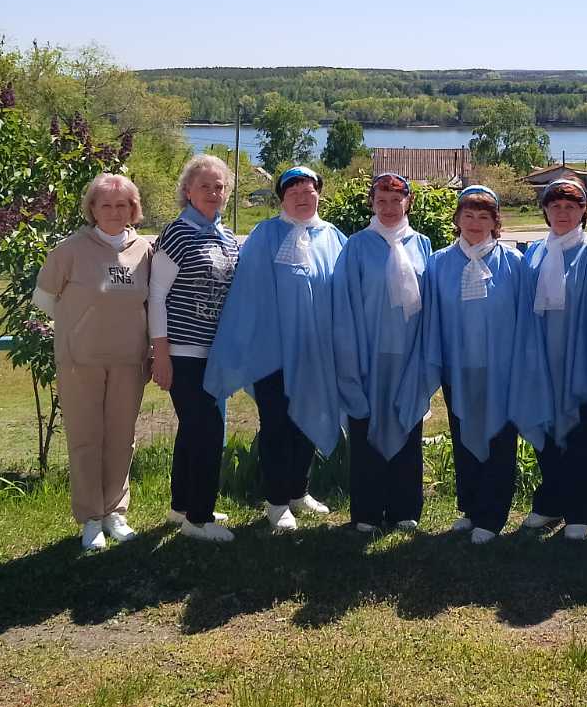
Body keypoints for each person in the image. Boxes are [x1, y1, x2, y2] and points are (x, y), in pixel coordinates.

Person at [206, 165, 347, 531]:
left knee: (307, 419)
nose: (303, 196)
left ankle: (299, 490)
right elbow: (250, 293)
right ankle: (276, 501)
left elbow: (345, 293)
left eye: (309, 189)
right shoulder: (266, 234)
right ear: (282, 197)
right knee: (277, 425)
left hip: (316, 353)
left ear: (319, 193)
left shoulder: (333, 237)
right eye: (294, 190)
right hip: (273, 353)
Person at [33, 173, 155, 551]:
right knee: (86, 439)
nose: (115, 212)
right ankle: (90, 518)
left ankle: (115, 512)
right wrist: (80, 327)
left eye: (122, 205)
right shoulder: (70, 250)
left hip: (129, 361)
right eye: (106, 205)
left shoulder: (145, 251)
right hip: (80, 362)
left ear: (133, 209)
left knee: (121, 439)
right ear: (92, 209)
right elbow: (44, 299)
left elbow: (154, 304)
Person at [514, 177, 587, 541]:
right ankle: (550, 502)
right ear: (545, 211)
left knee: (580, 437)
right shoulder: (535, 252)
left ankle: (580, 510)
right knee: (546, 434)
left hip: (578, 359)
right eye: (555, 206)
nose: (562, 213)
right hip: (541, 359)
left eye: (571, 206)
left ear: (584, 211)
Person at [413, 186, 532, 544]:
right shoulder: (439, 262)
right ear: (457, 220)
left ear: (496, 222)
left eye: (484, 216)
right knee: (464, 434)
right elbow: (432, 316)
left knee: (498, 438)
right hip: (459, 368)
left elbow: (524, 317)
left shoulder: (514, 263)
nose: (475, 223)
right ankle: (470, 507)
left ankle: (492, 515)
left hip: (501, 369)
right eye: (469, 215)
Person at [332, 172, 433, 532]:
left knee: (408, 425)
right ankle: (368, 511)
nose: (389, 208)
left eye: (396, 200)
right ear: (372, 204)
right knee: (366, 429)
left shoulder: (422, 244)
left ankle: (405, 508)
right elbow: (343, 305)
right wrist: (351, 357)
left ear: (409, 202)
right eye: (381, 201)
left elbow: (430, 305)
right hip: (368, 354)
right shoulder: (357, 246)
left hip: (408, 355)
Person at [149, 154, 240, 543]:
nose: (213, 193)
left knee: (193, 432)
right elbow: (155, 296)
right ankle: (200, 520)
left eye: (219, 187)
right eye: (205, 186)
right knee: (207, 433)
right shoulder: (178, 232)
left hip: (215, 355)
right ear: (188, 191)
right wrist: (162, 353)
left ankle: (182, 506)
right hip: (184, 352)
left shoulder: (228, 237)